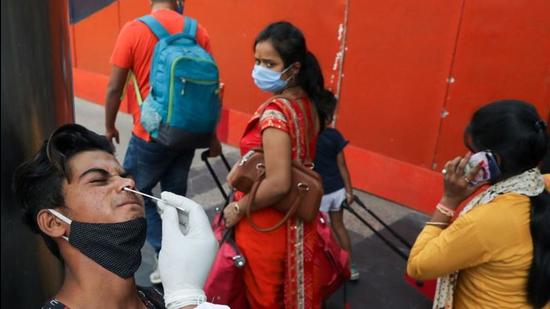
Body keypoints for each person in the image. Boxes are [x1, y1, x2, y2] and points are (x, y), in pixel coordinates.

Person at [13, 123, 224, 309]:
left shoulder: (157, 300)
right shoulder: (177, 300)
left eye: (124, 176)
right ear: (54, 223)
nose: (128, 183)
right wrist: (186, 301)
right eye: (98, 180)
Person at [104, 0, 221, 284]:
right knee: (175, 197)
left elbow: (114, 87)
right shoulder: (198, 31)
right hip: (187, 133)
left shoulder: (133, 30)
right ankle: (181, 256)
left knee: (136, 192)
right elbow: (210, 91)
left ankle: (162, 252)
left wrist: (109, 126)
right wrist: (212, 137)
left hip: (150, 133)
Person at [221, 21, 334, 308]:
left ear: (293, 68)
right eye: (257, 61)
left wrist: (237, 208)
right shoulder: (309, 104)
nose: (259, 69)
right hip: (296, 219)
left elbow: (279, 182)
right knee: (288, 294)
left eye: (269, 63)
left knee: (264, 298)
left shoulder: (276, 114)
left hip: (266, 222)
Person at [407, 100, 550, 308]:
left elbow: (418, 266)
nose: (467, 158)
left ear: (494, 161)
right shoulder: (541, 184)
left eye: (473, 151)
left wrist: (449, 200)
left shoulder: (486, 220)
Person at [313, 91, 359, 281]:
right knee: (339, 226)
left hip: (320, 194)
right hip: (338, 190)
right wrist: (349, 190)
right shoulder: (335, 136)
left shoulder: (309, 138)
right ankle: (350, 266)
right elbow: (342, 165)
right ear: (330, 116)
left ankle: (328, 267)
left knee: (321, 233)